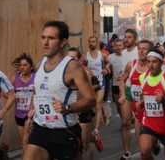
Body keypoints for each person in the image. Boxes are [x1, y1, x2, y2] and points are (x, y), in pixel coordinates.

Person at [23, 21, 96, 160]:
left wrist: (68, 108)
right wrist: (32, 113)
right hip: (40, 129)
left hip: (64, 132)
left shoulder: (72, 68)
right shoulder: (39, 64)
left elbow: (91, 99)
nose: (45, 42)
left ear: (63, 42)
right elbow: (37, 91)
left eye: (51, 38)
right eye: (43, 37)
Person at [136, 49, 165, 160]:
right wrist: (142, 103)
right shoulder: (143, 78)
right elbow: (145, 95)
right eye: (148, 62)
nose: (150, 65)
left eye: (154, 62)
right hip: (149, 122)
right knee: (144, 151)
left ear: (161, 63)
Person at [118, 40, 153, 160]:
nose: (141, 51)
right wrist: (122, 94)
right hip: (130, 93)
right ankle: (127, 152)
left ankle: (153, 141)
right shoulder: (131, 64)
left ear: (150, 51)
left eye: (145, 49)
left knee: (146, 126)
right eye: (139, 48)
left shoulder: (152, 66)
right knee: (125, 122)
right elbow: (122, 79)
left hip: (146, 98)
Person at [67, 47, 102, 159]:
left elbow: (97, 85)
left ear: (79, 59)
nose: (70, 60)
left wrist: (86, 90)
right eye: (68, 57)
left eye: (72, 58)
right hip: (69, 110)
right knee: (73, 144)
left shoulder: (85, 71)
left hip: (83, 109)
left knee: (84, 144)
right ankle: (94, 137)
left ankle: (93, 139)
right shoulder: (63, 72)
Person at [82, 36, 110, 138]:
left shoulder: (102, 55)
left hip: (101, 82)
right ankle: (104, 113)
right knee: (94, 105)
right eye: (89, 42)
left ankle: (96, 129)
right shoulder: (85, 56)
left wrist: (106, 69)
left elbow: (108, 63)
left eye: (93, 42)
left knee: (98, 104)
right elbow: (79, 66)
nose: (91, 43)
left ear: (97, 43)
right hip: (90, 84)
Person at [9, 53, 35, 152]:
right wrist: (13, 96)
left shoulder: (35, 77)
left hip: (32, 114)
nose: (22, 67)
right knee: (24, 141)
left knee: (30, 140)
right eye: (20, 65)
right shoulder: (14, 78)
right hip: (19, 114)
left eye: (25, 65)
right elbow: (5, 93)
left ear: (31, 67)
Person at [106, 39, 124, 116]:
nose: (118, 47)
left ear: (123, 46)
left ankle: (125, 122)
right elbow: (107, 65)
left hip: (125, 84)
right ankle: (122, 119)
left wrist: (123, 75)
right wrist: (105, 70)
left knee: (125, 104)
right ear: (114, 46)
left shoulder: (127, 56)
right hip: (115, 83)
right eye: (116, 45)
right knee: (118, 104)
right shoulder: (110, 57)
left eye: (120, 45)